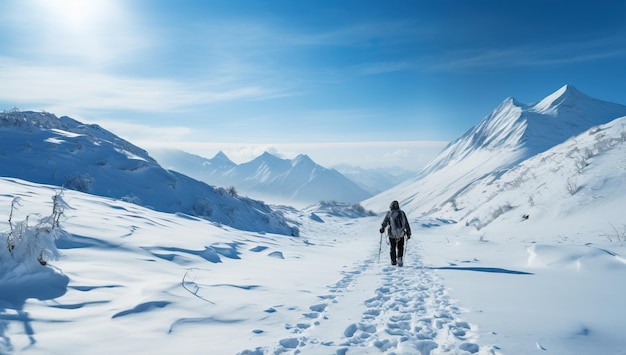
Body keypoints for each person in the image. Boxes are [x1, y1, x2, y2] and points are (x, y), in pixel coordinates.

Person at [379, 200, 411, 266]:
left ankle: (393, 261)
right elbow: (406, 223)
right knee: (400, 247)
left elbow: (385, 222)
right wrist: (408, 232)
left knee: (392, 248)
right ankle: (400, 259)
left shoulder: (389, 213)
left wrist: (382, 228)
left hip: (391, 234)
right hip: (401, 234)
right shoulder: (402, 213)